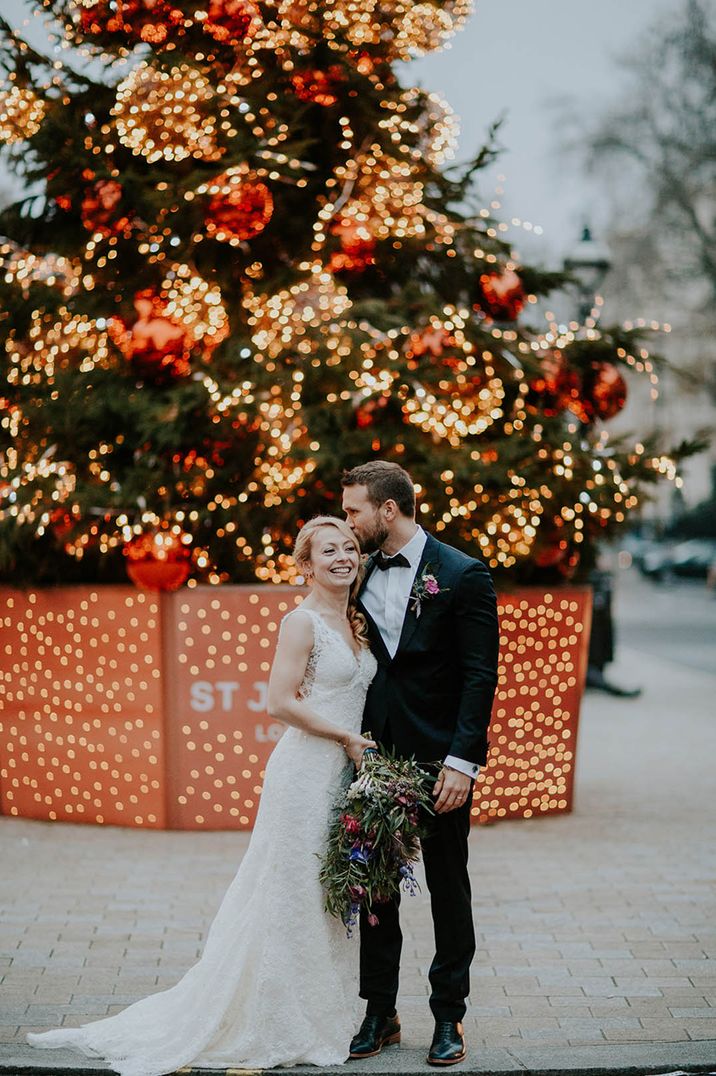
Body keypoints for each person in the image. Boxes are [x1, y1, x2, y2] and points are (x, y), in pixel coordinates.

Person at [27, 516, 377, 1076]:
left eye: (350, 548)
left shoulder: (357, 620)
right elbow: (278, 702)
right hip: (306, 773)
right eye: (328, 550)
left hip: (345, 775)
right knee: (289, 892)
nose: (342, 557)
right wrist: (341, 736)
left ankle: (321, 1011)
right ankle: (273, 1016)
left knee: (323, 896)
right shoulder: (302, 622)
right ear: (305, 565)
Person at [341, 461, 500, 1068]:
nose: (347, 522)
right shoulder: (352, 571)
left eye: (354, 510)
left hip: (440, 759)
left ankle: (449, 1016)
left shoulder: (463, 576)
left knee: (446, 886)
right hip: (375, 754)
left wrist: (463, 763)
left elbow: (479, 675)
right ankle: (379, 1011)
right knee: (376, 887)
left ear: (388, 510)